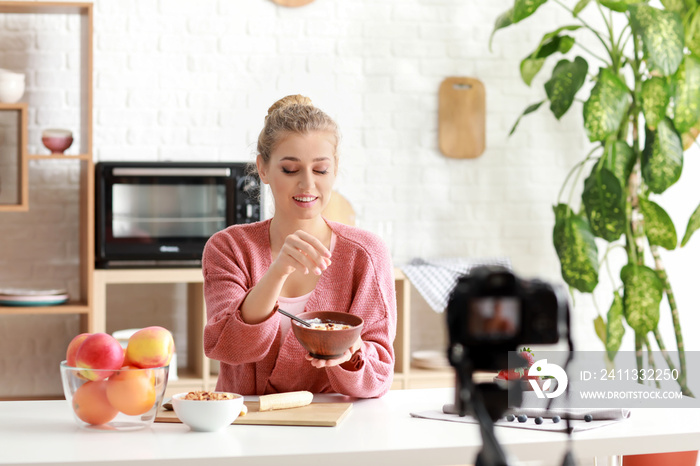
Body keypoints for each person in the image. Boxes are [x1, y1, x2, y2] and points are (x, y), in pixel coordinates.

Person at [202, 95, 397, 398]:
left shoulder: (366, 254)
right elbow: (229, 346)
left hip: (335, 426)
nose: (307, 185)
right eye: (290, 170)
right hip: (245, 424)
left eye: (320, 170)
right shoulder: (228, 247)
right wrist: (276, 272)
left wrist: (352, 354)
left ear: (334, 170)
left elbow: (379, 373)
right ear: (263, 170)